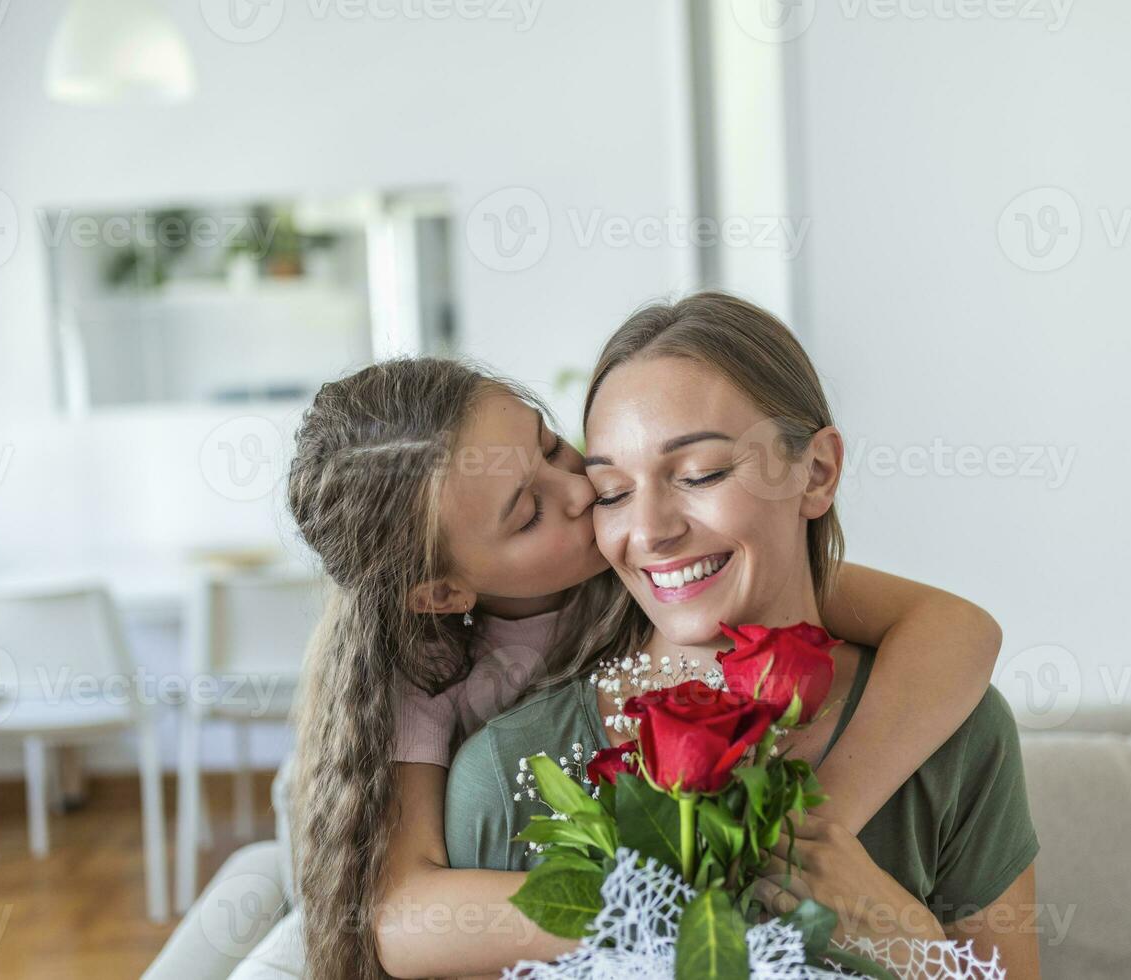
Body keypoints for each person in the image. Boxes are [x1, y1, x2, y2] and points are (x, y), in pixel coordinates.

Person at [288, 343, 1004, 979]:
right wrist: (674, 894)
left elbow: (954, 626)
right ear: (443, 591)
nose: (584, 498)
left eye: (553, 448)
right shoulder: (436, 680)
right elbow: (403, 919)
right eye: (528, 514)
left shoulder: (673, 572)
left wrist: (815, 834)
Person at [442, 293, 1041, 976]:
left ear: (816, 473)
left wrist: (909, 942)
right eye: (611, 491)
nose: (652, 529)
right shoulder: (508, 770)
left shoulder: (957, 732)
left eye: (700, 474)